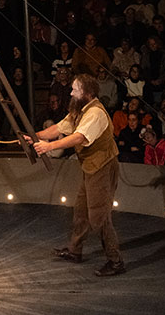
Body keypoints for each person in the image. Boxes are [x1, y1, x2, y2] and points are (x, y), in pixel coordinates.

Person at [30, 74, 125, 277]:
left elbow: (79, 137)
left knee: (99, 216)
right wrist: (35, 136)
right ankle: (75, 250)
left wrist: (49, 147)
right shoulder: (79, 110)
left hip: (102, 166)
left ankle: (115, 261)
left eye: (75, 90)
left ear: (87, 93)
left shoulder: (95, 113)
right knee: (81, 211)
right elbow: (59, 128)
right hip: (91, 167)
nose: (71, 93)